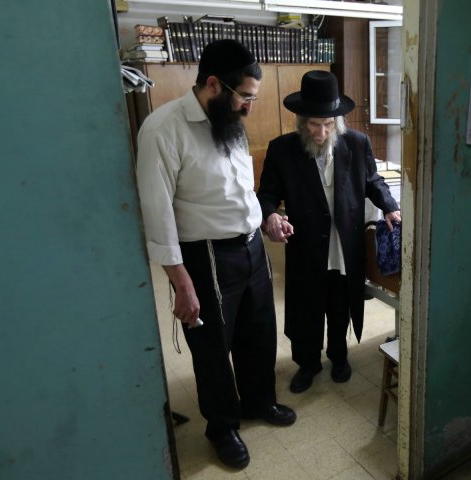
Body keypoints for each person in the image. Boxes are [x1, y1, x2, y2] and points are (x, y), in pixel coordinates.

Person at [135, 39, 296, 470]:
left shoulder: (229, 122)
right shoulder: (163, 128)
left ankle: (259, 401)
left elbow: (240, 192)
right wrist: (180, 282)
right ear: (213, 84)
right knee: (212, 349)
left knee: (258, 333)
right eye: (245, 96)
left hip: (250, 248)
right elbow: (157, 212)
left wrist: (265, 220)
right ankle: (222, 426)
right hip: (204, 257)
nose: (249, 107)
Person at [257, 70, 401, 394]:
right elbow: (266, 193)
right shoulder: (282, 150)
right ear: (300, 121)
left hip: (345, 245)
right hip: (306, 246)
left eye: (327, 124)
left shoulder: (356, 143)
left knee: (340, 305)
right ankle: (308, 364)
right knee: (308, 308)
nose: (321, 132)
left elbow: (372, 182)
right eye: (313, 124)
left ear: (337, 121)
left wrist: (390, 205)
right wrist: (269, 216)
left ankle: (339, 356)